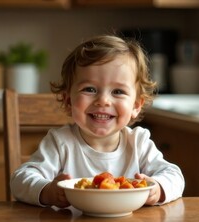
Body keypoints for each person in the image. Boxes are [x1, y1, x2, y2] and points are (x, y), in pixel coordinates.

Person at [11, 34, 185, 208]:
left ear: (136, 105)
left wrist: (158, 188)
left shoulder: (138, 143)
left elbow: (174, 175)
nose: (103, 101)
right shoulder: (60, 142)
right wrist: (47, 191)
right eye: (90, 89)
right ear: (68, 101)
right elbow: (20, 180)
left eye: (118, 91)